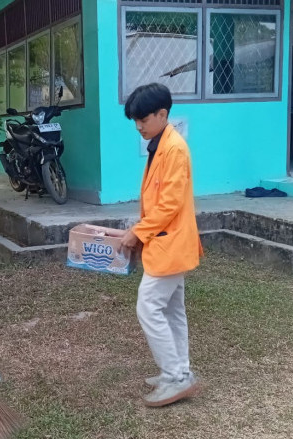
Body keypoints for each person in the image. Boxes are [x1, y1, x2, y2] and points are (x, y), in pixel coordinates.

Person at [119, 83, 203, 408]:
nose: (138, 126)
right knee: (171, 310)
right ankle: (179, 370)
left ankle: (176, 378)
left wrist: (138, 233)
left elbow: (169, 205)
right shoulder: (159, 145)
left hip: (170, 244)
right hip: (168, 244)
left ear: (162, 114)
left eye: (143, 119)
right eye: (135, 121)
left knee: (148, 306)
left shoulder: (175, 149)